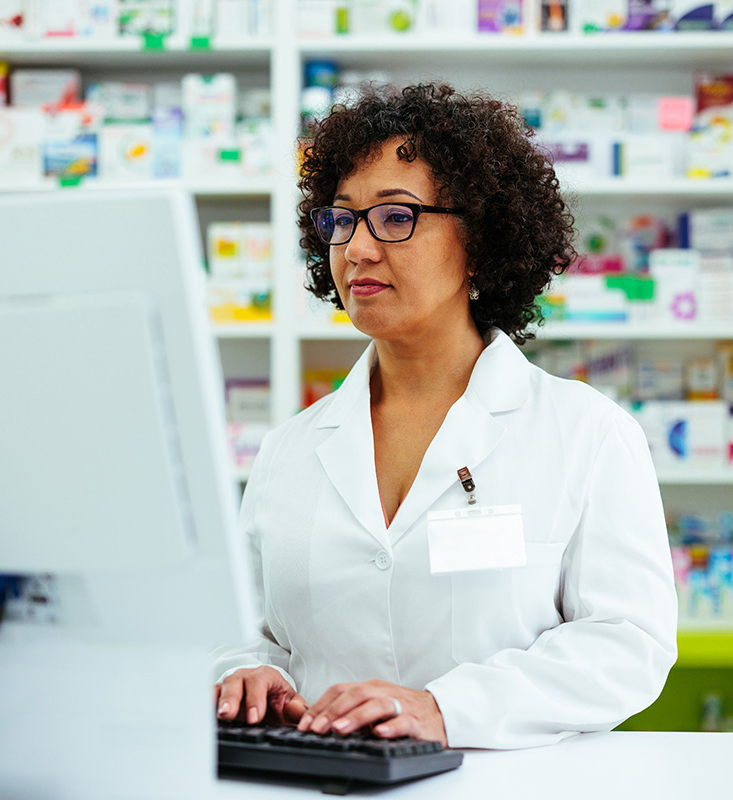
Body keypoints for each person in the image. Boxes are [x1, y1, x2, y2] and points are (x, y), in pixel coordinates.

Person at [211, 82, 677, 750]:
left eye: (397, 217)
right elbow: (249, 635)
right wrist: (247, 674)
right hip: (324, 782)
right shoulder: (290, 450)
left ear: (481, 240)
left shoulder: (587, 435)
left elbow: (630, 645)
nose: (358, 250)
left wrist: (444, 708)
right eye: (341, 219)